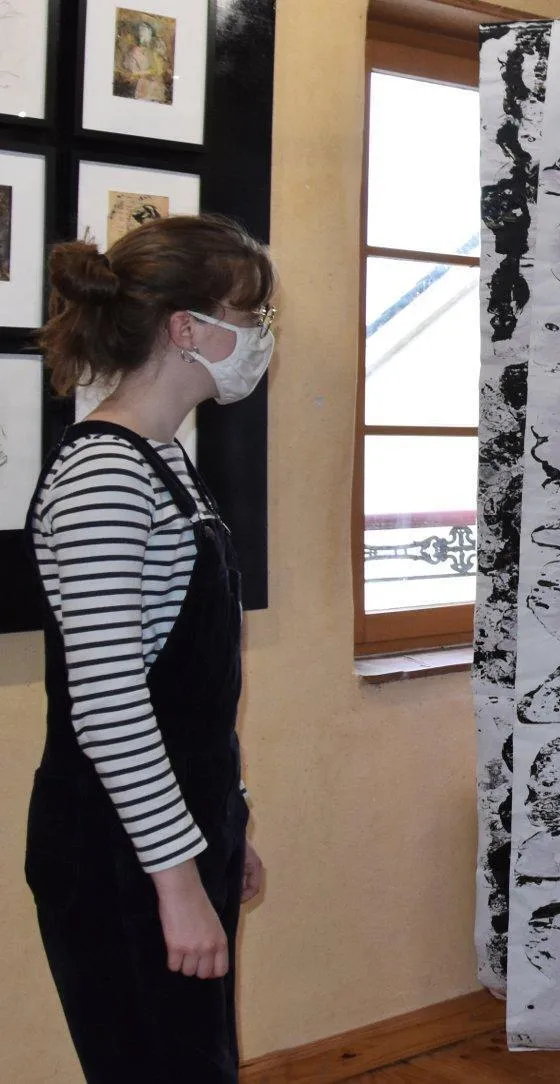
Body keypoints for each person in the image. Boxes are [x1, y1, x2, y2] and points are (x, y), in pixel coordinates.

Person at [24, 214, 276, 1083]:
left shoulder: (165, 461)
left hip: (176, 832)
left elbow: (193, 701)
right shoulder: (104, 476)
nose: (261, 336)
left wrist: (225, 824)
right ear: (185, 328)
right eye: (250, 316)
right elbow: (109, 705)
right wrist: (176, 881)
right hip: (116, 854)